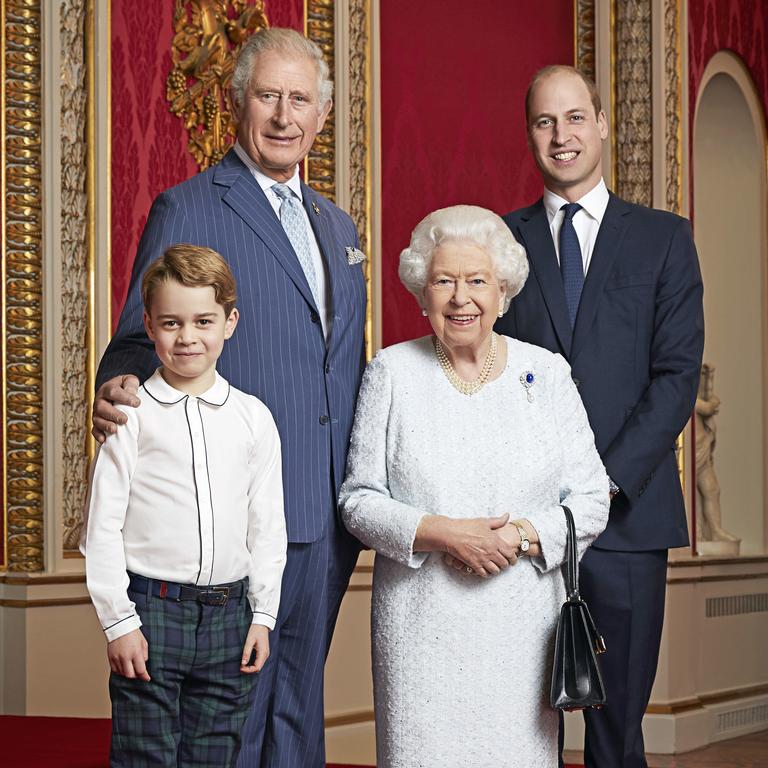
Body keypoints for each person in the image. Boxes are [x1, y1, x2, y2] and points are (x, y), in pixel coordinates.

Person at [91, 28, 367, 767]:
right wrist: (114, 384)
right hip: (236, 509)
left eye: (300, 99)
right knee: (234, 718)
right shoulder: (188, 207)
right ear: (239, 102)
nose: (284, 115)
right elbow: (134, 337)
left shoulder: (338, 227)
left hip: (327, 508)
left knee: (299, 706)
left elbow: (345, 367)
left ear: (322, 114)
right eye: (268, 96)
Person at [340, 205, 610, 768]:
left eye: (477, 281)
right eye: (444, 281)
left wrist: (517, 536)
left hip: (521, 629)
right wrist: (444, 534)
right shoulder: (391, 372)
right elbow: (358, 500)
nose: (461, 298)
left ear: (503, 290)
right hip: (420, 629)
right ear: (422, 292)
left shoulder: (548, 373)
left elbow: (590, 499)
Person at [495, 65, 704, 767]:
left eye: (575, 118)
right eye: (545, 122)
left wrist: (601, 486)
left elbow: (676, 378)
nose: (562, 136)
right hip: (523, 525)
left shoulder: (664, 240)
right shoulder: (498, 245)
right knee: (524, 732)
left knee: (617, 735)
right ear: (530, 134)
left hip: (628, 518)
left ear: (603, 123)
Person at [82, 245, 287, 767]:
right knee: (145, 755)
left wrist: (262, 615)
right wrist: (118, 623)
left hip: (230, 617)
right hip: (151, 612)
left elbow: (267, 528)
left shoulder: (253, 418)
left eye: (204, 321)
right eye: (171, 323)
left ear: (229, 323)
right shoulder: (131, 415)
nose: (188, 337)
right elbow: (100, 529)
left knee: (215, 755)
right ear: (149, 327)